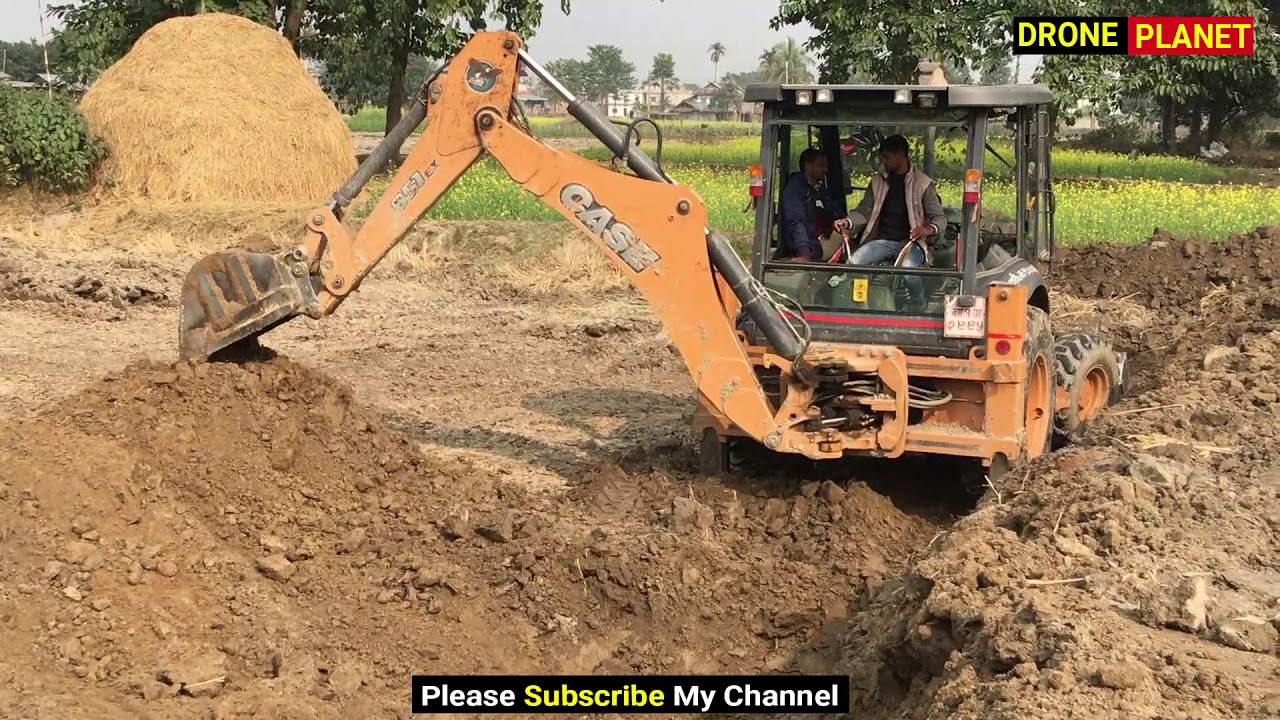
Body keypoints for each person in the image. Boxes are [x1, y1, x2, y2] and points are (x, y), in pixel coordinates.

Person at [833, 134, 947, 306]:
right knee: (853, 264)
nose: (883, 161)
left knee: (908, 271)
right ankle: (861, 305)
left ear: (900, 155)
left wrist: (928, 229)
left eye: (886, 157)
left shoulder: (923, 184)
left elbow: (939, 218)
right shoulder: (877, 181)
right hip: (882, 241)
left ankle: (918, 303)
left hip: (911, 244)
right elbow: (864, 211)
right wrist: (847, 222)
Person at [774, 148, 833, 262]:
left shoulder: (819, 189)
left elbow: (832, 210)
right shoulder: (795, 190)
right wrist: (804, 252)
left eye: (826, 165)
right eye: (820, 165)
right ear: (807, 166)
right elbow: (796, 221)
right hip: (809, 248)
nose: (825, 169)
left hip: (820, 241)